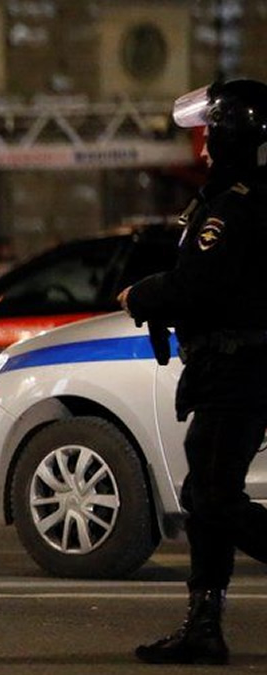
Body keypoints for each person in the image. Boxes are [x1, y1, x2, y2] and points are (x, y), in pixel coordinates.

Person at [120, 79, 267, 666]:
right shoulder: (240, 197)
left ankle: (205, 626)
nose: (202, 147)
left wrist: (143, 294)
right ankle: (204, 625)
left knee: (211, 495)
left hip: (236, 372)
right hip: (229, 370)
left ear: (231, 137)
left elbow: (201, 284)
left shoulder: (235, 206)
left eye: (211, 135)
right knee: (206, 494)